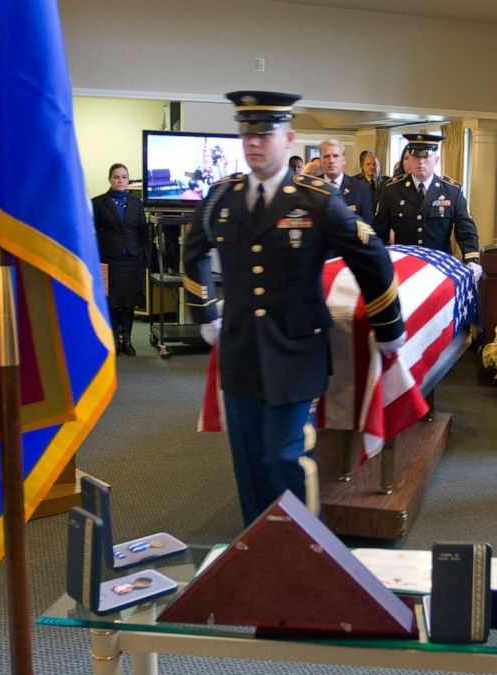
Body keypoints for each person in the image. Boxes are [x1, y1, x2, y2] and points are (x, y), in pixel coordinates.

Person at [181, 91, 405, 525]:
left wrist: (387, 325)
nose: (253, 143)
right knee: (248, 462)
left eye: (264, 134)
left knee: (284, 457)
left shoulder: (315, 200)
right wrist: (206, 313)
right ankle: (257, 545)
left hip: (297, 351)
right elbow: (192, 253)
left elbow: (371, 255)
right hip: (242, 350)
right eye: (246, 134)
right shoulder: (222, 198)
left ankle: (301, 549)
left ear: (289, 138)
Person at [372, 134, 481, 277]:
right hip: (405, 269)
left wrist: (471, 259)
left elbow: (465, 229)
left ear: (436, 160)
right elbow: (379, 231)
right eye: (416, 157)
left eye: (426, 157)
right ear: (409, 160)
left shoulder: (451, 191)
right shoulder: (392, 190)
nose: (421, 162)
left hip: (440, 269)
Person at [92, 163, 149, 355]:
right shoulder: (99, 203)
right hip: (110, 259)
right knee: (112, 302)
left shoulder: (136, 203)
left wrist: (145, 256)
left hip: (133, 259)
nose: (120, 180)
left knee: (129, 302)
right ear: (110, 179)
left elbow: (143, 232)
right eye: (116, 177)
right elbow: (93, 232)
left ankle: (127, 340)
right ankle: (114, 339)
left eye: (124, 177)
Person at [319, 138, 374, 223]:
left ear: (344, 160)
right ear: (321, 160)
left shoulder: (361, 188)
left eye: (336, 156)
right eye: (326, 156)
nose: (331, 161)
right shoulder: (310, 187)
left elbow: (367, 224)